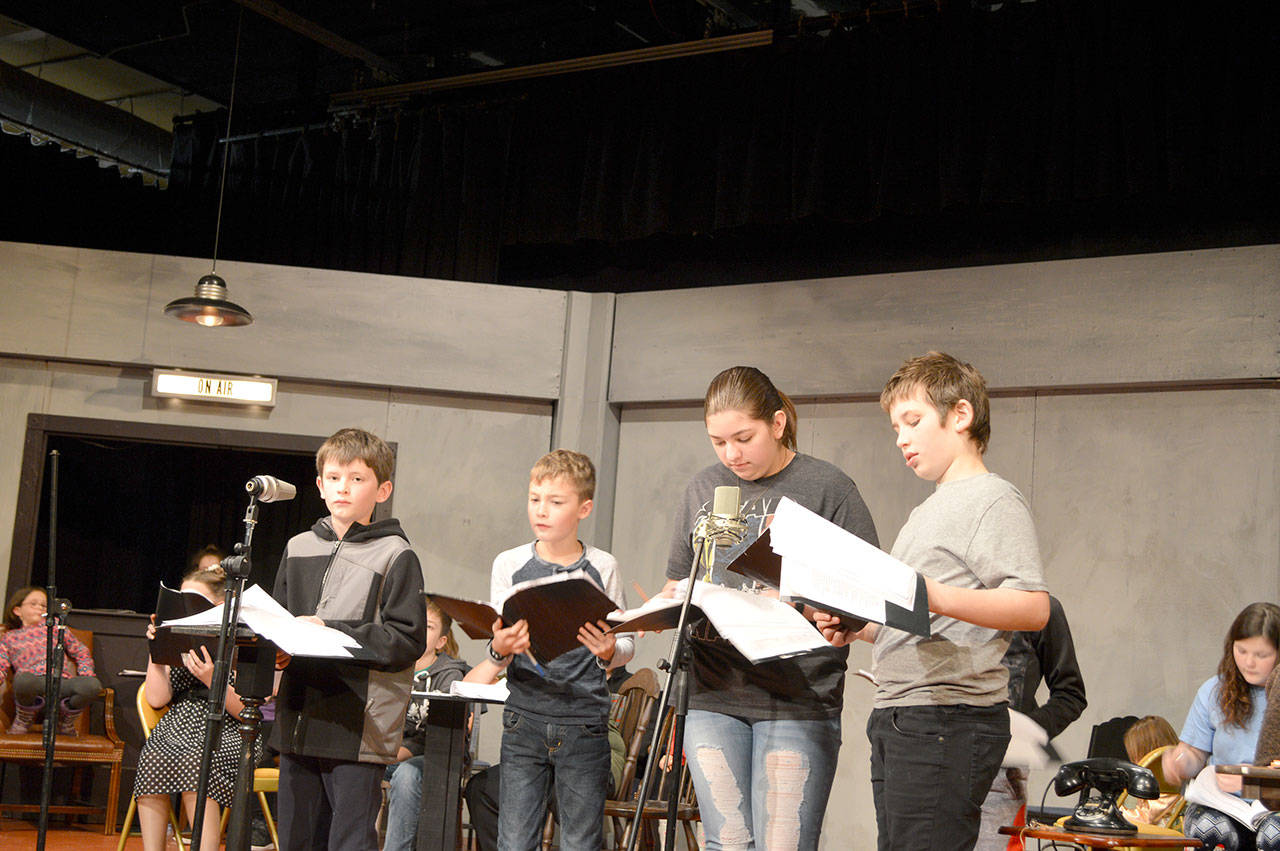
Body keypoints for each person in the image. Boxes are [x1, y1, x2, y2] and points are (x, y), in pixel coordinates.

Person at [817, 350, 1050, 851]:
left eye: (913, 420)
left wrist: (936, 594)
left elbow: (1032, 606)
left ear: (960, 415)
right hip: (903, 714)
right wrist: (859, 628)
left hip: (946, 717)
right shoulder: (927, 511)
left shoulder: (993, 499)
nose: (901, 437)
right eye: (895, 426)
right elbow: (920, 617)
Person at [662, 365, 878, 851]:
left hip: (796, 698)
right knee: (727, 841)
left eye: (743, 437)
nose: (731, 454)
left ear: (778, 424)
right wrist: (650, 612)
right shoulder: (702, 489)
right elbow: (679, 582)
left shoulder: (828, 488)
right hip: (712, 693)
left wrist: (803, 601)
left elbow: (869, 598)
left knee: (784, 844)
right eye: (718, 442)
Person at [272, 427, 427, 851]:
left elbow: (406, 638)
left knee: (350, 839)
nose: (344, 487)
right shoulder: (299, 545)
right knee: (297, 838)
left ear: (383, 490)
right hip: (300, 714)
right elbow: (280, 619)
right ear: (320, 485)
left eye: (358, 478)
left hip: (360, 721)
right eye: (335, 477)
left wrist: (332, 631)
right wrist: (278, 647)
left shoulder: (396, 553)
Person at [485, 448, 634, 851]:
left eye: (556, 501)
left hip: (584, 720)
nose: (542, 511)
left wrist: (608, 652)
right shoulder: (509, 563)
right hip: (524, 718)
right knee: (514, 840)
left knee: (580, 841)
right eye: (535, 499)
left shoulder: (602, 567)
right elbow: (497, 641)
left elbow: (626, 643)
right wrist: (500, 647)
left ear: (584, 508)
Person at [133, 564, 256, 851]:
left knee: (195, 760)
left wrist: (212, 680)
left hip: (232, 729)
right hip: (180, 722)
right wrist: (158, 650)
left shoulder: (244, 641)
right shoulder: (179, 638)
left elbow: (245, 712)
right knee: (152, 756)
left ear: (222, 605)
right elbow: (156, 699)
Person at [1162, 602, 1280, 851]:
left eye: (1261, 655)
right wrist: (1180, 761)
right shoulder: (1213, 691)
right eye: (1242, 650)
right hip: (1223, 803)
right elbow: (1194, 754)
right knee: (1211, 830)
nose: (1249, 662)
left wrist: (1252, 781)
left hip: (1273, 806)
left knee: (1273, 835)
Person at [976, 595, 1087, 850]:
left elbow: (1071, 695)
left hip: (999, 774)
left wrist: (1021, 731)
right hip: (938, 763)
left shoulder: (1039, 607)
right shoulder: (948, 595)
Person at [383, 599, 471, 851]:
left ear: (442, 641)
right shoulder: (393, 667)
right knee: (353, 768)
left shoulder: (448, 673)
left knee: (408, 774)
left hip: (432, 758)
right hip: (389, 752)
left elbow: (444, 734)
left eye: (429, 627)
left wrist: (399, 752)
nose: (420, 630)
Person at [0, 585, 101, 735]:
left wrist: (85, 672)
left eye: (43, 605)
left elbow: (81, 651)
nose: (39, 608)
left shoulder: (57, 628)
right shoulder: (10, 637)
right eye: (33, 604)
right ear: (17, 611)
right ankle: (24, 718)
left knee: (92, 685)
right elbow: (1, 664)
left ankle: (64, 721)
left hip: (61, 683)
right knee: (23, 681)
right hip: (34, 683)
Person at [1120, 715, 1181, 828]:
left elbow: (1146, 817)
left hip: (1164, 836)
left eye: (1135, 758)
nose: (1135, 763)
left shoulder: (1168, 780)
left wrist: (1117, 813)